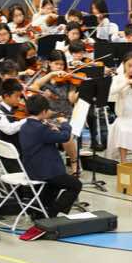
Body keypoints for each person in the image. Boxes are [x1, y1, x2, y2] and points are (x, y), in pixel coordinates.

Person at [18, 95, 83, 236]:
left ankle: (40, 212)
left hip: (31, 169)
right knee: (75, 185)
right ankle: (53, 212)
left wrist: (51, 128)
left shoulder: (25, 126)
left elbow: (43, 138)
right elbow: (65, 136)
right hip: (46, 171)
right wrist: (65, 123)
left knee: (54, 186)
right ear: (43, 111)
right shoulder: (41, 129)